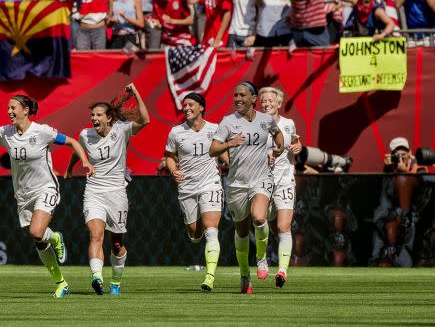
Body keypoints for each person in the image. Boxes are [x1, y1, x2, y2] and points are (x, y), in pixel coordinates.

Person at [0, 89, 93, 298]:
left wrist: (83, 160)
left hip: (45, 188)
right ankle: (61, 281)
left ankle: (55, 238)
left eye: (13, 108)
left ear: (26, 110)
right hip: (23, 195)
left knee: (37, 232)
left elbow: (72, 142)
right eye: (8, 108)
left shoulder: (42, 131)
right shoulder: (7, 132)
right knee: (39, 240)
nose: (9, 111)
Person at [65, 83, 150, 295]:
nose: (94, 118)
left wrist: (137, 92)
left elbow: (145, 120)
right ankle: (97, 278)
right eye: (92, 115)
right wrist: (70, 168)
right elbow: (79, 151)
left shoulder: (122, 131)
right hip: (94, 191)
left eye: (99, 115)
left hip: (117, 193)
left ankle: (116, 282)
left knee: (117, 244)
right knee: (96, 235)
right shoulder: (85, 135)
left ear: (109, 118)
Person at [209, 81, 285, 295]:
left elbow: (277, 133)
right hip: (236, 184)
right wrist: (229, 144)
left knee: (259, 218)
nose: (238, 99)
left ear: (254, 99)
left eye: (242, 95)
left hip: (261, 179)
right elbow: (213, 149)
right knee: (241, 230)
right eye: (235, 95)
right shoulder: (227, 122)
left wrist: (279, 146)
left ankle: (261, 258)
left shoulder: (265, 119)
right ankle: (244, 274)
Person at [164, 92, 224, 292]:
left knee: (211, 230)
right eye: (184, 105)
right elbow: (170, 157)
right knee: (195, 234)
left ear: (201, 108)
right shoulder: (176, 132)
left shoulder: (216, 129)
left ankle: (209, 277)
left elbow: (225, 155)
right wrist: (174, 170)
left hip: (211, 184)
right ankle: (195, 234)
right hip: (187, 188)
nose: (186, 108)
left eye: (191, 105)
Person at [257, 87, 303, 288]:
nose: (267, 103)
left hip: (285, 180)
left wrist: (297, 147)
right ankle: (262, 258)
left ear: (278, 103)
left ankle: (282, 271)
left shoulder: (288, 123)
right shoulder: (255, 125)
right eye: (264, 101)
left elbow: (296, 143)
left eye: (270, 100)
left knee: (284, 227)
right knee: (262, 221)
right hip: (262, 181)